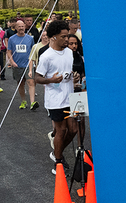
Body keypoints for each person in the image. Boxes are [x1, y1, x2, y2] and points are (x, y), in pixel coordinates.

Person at [33, 20, 77, 173]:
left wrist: (74, 77)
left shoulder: (69, 52)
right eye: (63, 37)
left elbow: (68, 72)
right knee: (62, 130)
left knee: (73, 129)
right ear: (53, 37)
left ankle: (56, 152)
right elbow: (36, 78)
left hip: (70, 97)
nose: (67, 40)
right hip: (55, 100)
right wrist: (51, 80)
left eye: (67, 36)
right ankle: (58, 162)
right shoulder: (47, 56)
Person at [6, 19, 37, 109]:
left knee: (31, 82)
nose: (21, 28)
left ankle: (32, 102)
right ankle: (23, 101)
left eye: (22, 26)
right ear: (15, 28)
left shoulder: (30, 38)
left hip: (28, 64)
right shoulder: (12, 39)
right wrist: (12, 62)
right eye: (19, 26)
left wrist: (33, 62)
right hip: (17, 65)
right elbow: (9, 51)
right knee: (20, 83)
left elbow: (33, 51)